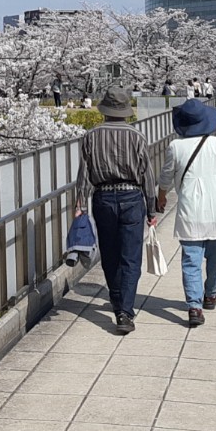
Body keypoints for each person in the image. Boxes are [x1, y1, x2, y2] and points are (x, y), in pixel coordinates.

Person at [156, 99, 216, 327]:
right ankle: (210, 293)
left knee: (191, 261)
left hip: (189, 213)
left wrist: (161, 198)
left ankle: (194, 307)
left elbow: (165, 177)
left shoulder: (176, 146)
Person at [74, 85, 158, 334]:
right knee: (131, 257)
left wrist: (80, 205)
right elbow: (147, 175)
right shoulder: (137, 136)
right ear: (125, 111)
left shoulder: (91, 136)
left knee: (109, 254)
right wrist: (151, 208)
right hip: (132, 197)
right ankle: (125, 311)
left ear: (104, 110)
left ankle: (116, 299)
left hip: (103, 199)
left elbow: (84, 174)